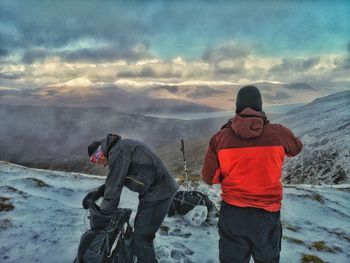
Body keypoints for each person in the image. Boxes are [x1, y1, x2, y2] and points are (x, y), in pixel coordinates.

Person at [202, 86, 303, 263]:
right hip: (267, 213)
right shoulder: (278, 133)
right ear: (260, 106)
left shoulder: (220, 137)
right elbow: (296, 149)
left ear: (237, 107)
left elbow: (209, 178)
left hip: (233, 212)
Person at [83, 134, 179, 263]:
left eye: (95, 159)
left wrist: (103, 215)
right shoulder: (119, 149)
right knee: (141, 232)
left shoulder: (118, 152)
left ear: (100, 153)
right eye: (94, 161)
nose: (98, 163)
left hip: (158, 193)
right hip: (155, 191)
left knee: (142, 237)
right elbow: (116, 179)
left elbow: (114, 186)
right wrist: (99, 193)